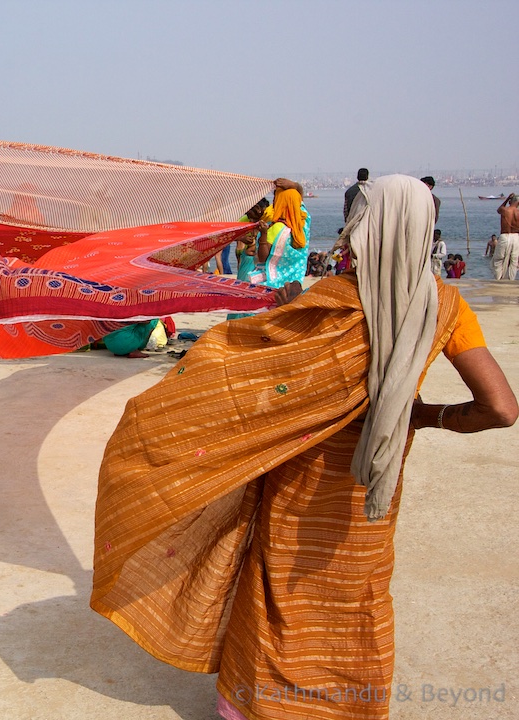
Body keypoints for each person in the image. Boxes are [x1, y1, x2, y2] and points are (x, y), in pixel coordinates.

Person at [91, 175, 517, 720]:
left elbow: (251, 372)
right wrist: (418, 415)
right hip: (372, 484)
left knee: (280, 589)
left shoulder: (329, 300)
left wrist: (283, 314)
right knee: (357, 592)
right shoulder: (448, 306)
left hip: (300, 475)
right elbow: (501, 409)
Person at [493, 193, 519, 280]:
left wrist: (507, 198)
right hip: (516, 236)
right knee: (514, 261)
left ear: (510, 201)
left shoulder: (505, 210)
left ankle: (498, 278)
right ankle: (511, 279)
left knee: (498, 259)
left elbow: (498, 210)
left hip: (505, 235)